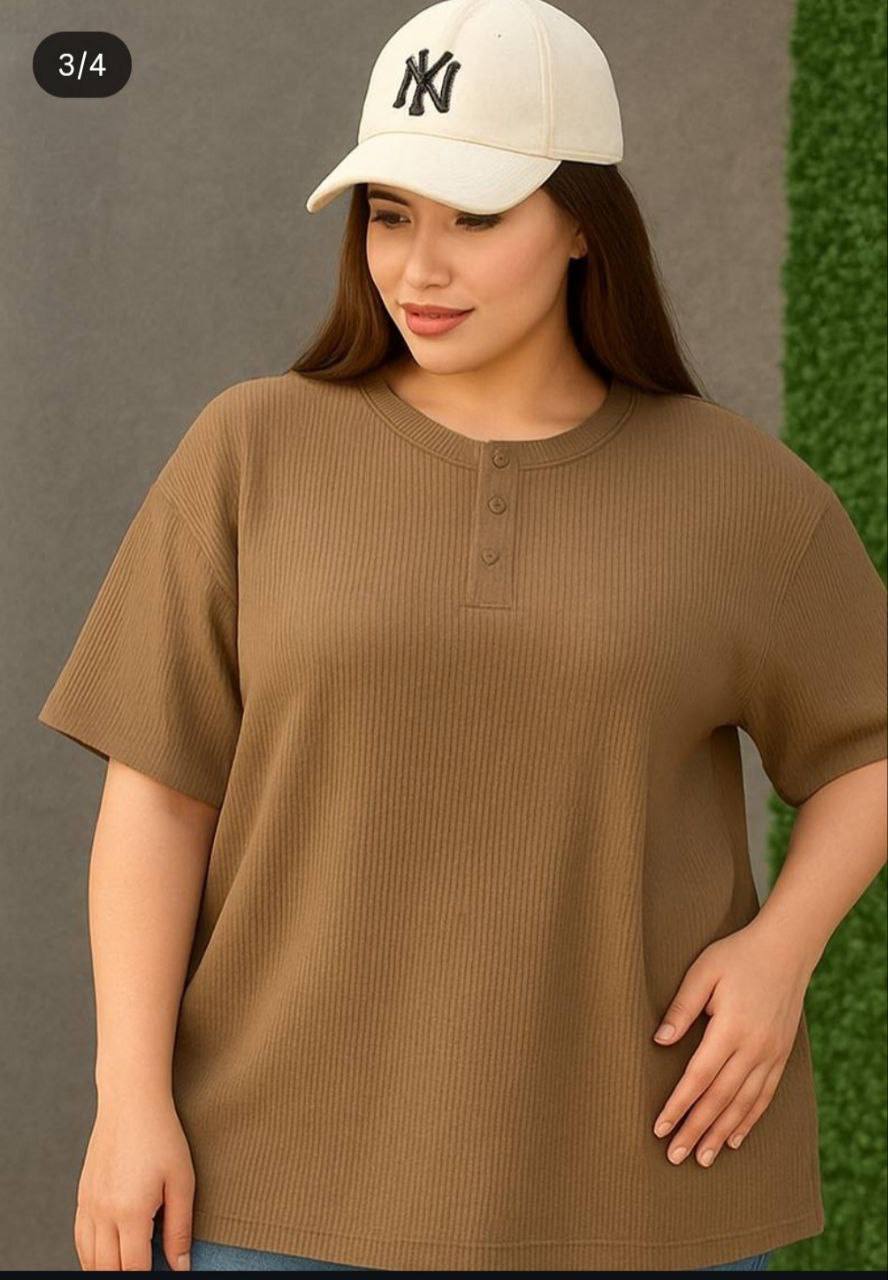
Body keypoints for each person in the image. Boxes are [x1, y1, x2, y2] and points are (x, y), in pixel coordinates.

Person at [37, 0, 887, 1273]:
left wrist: (779, 953)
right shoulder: (252, 450)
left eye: (475, 218)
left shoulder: (741, 494)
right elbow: (159, 799)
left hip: (647, 1186)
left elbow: (870, 746)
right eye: (391, 215)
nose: (417, 270)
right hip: (271, 1187)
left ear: (584, 224)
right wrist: (130, 1097)